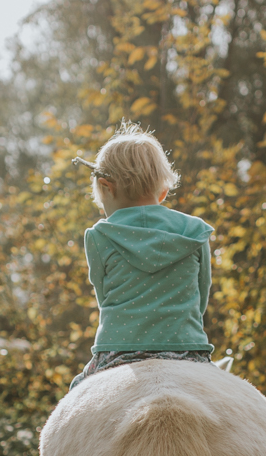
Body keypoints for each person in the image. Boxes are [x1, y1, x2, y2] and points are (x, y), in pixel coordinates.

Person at [67, 124, 216, 389]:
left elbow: (105, 299)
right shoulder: (195, 232)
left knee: (75, 399)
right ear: (163, 192)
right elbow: (201, 297)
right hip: (187, 350)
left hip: (118, 351)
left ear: (106, 188)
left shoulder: (99, 236)